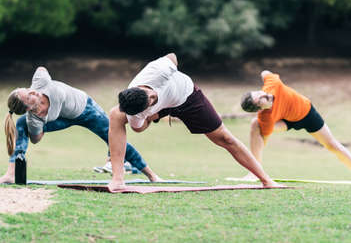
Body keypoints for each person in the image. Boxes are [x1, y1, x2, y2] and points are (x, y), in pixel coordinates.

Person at [107, 53, 284, 191]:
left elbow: (172, 56)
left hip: (187, 95)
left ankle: (266, 180)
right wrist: (154, 115)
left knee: (225, 138)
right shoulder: (136, 112)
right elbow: (139, 128)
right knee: (115, 115)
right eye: (151, 101)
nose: (154, 96)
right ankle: (117, 178)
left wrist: (173, 70)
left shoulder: (157, 71)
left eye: (150, 94)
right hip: (162, 110)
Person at [0, 66, 161, 184]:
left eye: (28, 89)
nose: (32, 91)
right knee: (21, 123)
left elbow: (41, 69)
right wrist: (35, 129)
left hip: (85, 109)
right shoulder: (33, 118)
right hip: (62, 118)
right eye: (29, 96)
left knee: (114, 138)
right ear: (28, 108)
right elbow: (36, 139)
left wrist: (39, 125)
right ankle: (11, 173)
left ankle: (151, 175)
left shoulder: (40, 84)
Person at [240, 70, 351, 185]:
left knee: (332, 145)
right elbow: (264, 138)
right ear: (259, 108)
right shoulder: (265, 117)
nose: (264, 94)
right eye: (260, 99)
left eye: (259, 92)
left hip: (306, 114)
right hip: (286, 121)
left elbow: (265, 73)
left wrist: (264, 73)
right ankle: (254, 171)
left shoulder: (272, 84)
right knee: (255, 125)